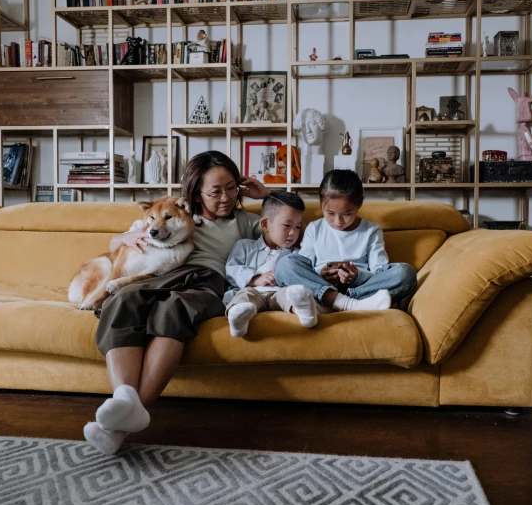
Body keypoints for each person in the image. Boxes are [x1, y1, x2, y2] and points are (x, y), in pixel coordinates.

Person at [84, 150, 269, 455]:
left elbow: (286, 225)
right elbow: (120, 241)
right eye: (215, 191)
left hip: (206, 281)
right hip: (160, 275)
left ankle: (122, 420)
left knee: (172, 310)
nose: (226, 197)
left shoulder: (244, 221)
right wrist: (122, 240)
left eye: (232, 187)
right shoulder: (170, 212)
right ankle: (125, 401)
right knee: (123, 299)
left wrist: (267, 195)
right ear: (196, 192)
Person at [275, 169, 417, 311]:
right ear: (321, 204)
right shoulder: (315, 228)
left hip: (361, 288)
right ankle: (344, 302)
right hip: (320, 285)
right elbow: (305, 266)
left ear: (359, 205)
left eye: (347, 213)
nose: (338, 221)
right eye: (330, 213)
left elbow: (379, 271)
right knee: (284, 264)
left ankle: (340, 302)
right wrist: (321, 273)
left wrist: (357, 276)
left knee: (406, 273)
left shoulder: (371, 230)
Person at [224, 191, 318, 338]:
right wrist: (255, 279)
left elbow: (305, 272)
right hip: (253, 292)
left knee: (291, 294)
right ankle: (239, 320)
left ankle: (305, 313)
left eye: (298, 227)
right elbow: (231, 270)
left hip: (278, 294)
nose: (293, 233)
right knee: (244, 297)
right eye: (287, 225)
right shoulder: (245, 246)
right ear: (265, 224)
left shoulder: (296, 254)